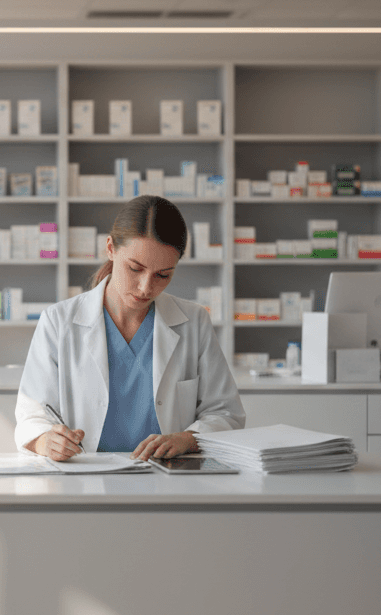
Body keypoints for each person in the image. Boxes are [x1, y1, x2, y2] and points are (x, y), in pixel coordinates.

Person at [16, 195, 245, 461]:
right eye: (135, 269)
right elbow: (31, 414)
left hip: (170, 477)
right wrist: (45, 440)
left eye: (163, 275)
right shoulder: (58, 321)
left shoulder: (194, 322)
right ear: (111, 248)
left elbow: (226, 413)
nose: (146, 287)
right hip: (85, 474)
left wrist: (187, 439)